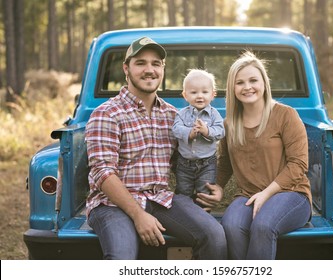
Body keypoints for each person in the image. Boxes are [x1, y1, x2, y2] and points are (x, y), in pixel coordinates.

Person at [85, 36, 227, 260]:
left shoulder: (173, 115)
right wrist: (138, 215)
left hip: (161, 199)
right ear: (126, 68)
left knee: (215, 236)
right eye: (140, 63)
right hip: (112, 204)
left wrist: (214, 186)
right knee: (121, 256)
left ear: (162, 69)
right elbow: (103, 173)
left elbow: (190, 159)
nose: (149, 70)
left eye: (155, 63)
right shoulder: (107, 113)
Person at [197, 51, 312, 260]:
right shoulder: (229, 124)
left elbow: (299, 164)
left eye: (253, 80)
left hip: (291, 194)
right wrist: (219, 187)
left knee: (263, 225)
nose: (247, 87)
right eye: (240, 82)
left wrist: (267, 194)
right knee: (230, 225)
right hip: (248, 195)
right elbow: (225, 163)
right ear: (233, 88)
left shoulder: (285, 115)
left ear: (264, 83)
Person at [172, 69, 225, 202]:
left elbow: (220, 131)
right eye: (194, 92)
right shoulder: (181, 114)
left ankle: (202, 217)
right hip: (184, 164)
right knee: (183, 192)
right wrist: (189, 133)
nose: (199, 96)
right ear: (185, 95)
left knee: (204, 193)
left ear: (213, 94)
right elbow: (175, 129)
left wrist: (207, 131)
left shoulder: (214, 115)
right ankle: (184, 218)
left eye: (205, 92)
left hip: (207, 164)